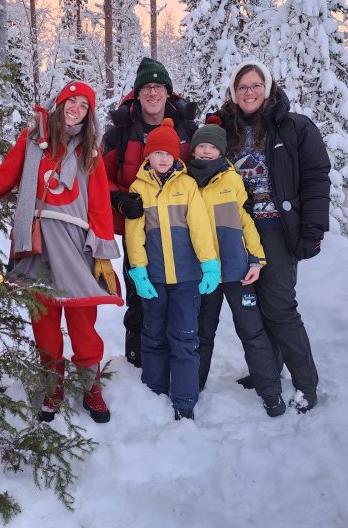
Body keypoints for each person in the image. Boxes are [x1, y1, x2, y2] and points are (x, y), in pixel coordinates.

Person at [0, 81, 124, 423]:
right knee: (44, 322)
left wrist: (101, 251)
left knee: (83, 321)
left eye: (84, 106)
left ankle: (90, 386)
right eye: (72, 102)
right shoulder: (31, 142)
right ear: (59, 104)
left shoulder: (91, 152)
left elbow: (99, 203)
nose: (77, 110)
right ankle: (52, 386)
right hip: (37, 242)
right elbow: (1, 180)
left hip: (77, 246)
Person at [206, 60, 331, 413]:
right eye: (242, 86)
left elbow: (316, 178)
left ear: (268, 87)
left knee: (279, 308)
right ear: (233, 91)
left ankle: (306, 384)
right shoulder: (224, 129)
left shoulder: (294, 127)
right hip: (236, 231)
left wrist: (313, 229)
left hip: (275, 228)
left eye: (255, 85)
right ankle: (269, 371)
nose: (249, 92)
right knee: (256, 308)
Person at [102, 57, 198, 368]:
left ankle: (177, 353)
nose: (152, 92)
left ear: (168, 92)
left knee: (179, 294)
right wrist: (120, 201)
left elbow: (205, 170)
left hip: (182, 229)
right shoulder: (120, 132)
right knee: (141, 292)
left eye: (158, 86)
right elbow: (99, 177)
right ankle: (139, 357)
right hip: (139, 229)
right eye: (146, 87)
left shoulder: (188, 129)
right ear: (138, 93)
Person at [187, 124, 285, 417]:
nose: (206, 151)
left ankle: (270, 391)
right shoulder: (186, 181)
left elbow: (246, 221)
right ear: (193, 150)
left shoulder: (232, 179)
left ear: (221, 151)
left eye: (212, 147)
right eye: (201, 146)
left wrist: (256, 259)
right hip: (204, 273)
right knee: (202, 333)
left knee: (252, 331)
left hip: (237, 271)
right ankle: (193, 388)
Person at [125, 120, 219, 420]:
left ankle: (184, 401)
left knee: (185, 337)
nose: (163, 158)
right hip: (154, 279)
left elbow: (201, 228)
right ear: (148, 157)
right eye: (157, 153)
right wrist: (138, 270)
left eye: (168, 152)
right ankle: (153, 393)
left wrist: (209, 263)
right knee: (153, 335)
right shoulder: (138, 188)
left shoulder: (187, 184)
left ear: (176, 156)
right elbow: (134, 234)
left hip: (186, 278)